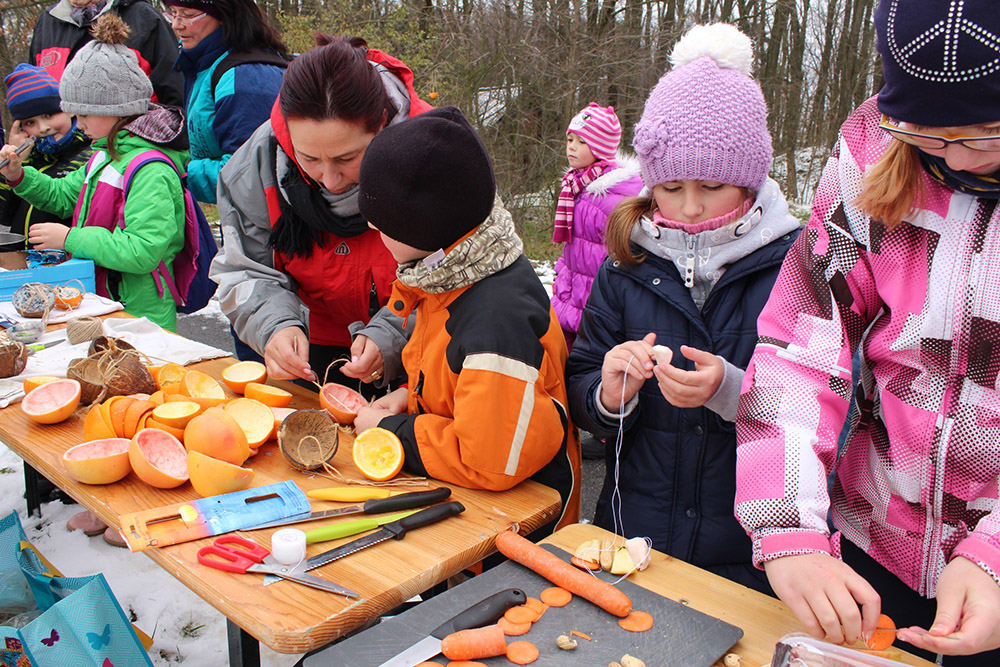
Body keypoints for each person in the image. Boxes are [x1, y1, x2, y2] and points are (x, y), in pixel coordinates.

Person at [734, 0, 1000, 663]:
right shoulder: (872, 147)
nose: (951, 157)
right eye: (925, 132)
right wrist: (786, 523)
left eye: (980, 134)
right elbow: (801, 343)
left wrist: (994, 553)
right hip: (874, 537)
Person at [565, 23, 800, 594]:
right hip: (634, 535)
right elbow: (581, 377)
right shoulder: (625, 265)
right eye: (670, 187)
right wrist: (608, 393)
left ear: (749, 180)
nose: (690, 207)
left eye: (712, 186)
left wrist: (732, 391)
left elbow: (815, 404)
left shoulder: (795, 264)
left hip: (750, 553)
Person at [352, 106, 580, 533]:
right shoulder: (456, 273)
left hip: (515, 532)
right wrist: (408, 398)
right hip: (470, 510)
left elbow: (489, 460)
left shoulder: (494, 324)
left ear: (423, 230)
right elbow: (460, 384)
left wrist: (394, 430)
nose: (370, 225)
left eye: (381, 223)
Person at [211, 35, 432, 389]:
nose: (329, 180)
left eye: (346, 159)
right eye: (309, 158)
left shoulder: (437, 155)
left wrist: (392, 331)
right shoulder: (256, 164)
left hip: (420, 349)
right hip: (309, 348)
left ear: (382, 126)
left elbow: (458, 273)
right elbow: (244, 269)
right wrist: (275, 324)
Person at [0, 14, 188, 334]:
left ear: (117, 109)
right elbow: (63, 195)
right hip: (108, 304)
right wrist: (20, 176)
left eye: (84, 113)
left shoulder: (150, 169)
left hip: (141, 318)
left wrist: (70, 238)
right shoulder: (103, 156)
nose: (78, 121)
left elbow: (142, 251)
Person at [164, 0, 288, 205]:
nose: (176, 25)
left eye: (187, 14)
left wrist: (176, 169)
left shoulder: (245, 78)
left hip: (267, 223)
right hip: (243, 217)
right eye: (173, 13)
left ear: (224, 16)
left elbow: (248, 175)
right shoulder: (207, 66)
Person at [552, 102, 642, 351]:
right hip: (570, 296)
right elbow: (572, 244)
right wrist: (561, 274)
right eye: (570, 139)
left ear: (600, 147)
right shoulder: (574, 186)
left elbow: (620, 255)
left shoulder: (614, 196)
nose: (571, 146)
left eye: (581, 141)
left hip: (594, 303)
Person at [29, 0, 182, 108]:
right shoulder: (47, 22)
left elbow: (175, 95)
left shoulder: (143, 17)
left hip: (129, 144)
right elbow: (34, 95)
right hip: (60, 148)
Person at [1, 64, 93, 240]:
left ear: (69, 109)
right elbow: (4, 215)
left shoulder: (90, 154)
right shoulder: (31, 157)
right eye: (30, 123)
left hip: (67, 259)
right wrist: (19, 164)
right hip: (24, 260)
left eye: (49, 115)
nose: (43, 128)